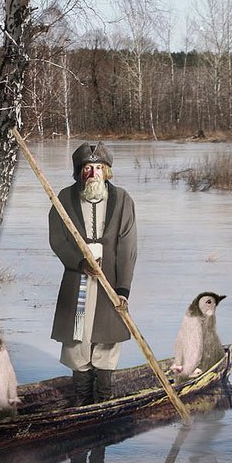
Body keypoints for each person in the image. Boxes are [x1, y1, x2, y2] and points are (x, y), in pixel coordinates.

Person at [49, 141, 137, 406]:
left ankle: (103, 402)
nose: (94, 173)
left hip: (109, 281)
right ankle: (82, 403)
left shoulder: (122, 200)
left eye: (99, 168)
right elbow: (57, 239)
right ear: (79, 172)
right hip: (78, 281)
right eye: (88, 168)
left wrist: (123, 290)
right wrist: (78, 261)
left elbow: (128, 247)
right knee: (78, 337)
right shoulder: (64, 199)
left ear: (107, 171)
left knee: (107, 337)